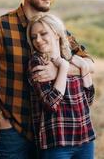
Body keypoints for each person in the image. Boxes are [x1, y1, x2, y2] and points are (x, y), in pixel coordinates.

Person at [0, 0, 94, 159]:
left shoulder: (54, 28)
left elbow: (89, 64)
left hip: (53, 135)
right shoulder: (1, 27)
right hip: (15, 131)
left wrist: (58, 71)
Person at [27, 14, 95, 159]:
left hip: (85, 139)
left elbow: (89, 99)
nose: (38, 40)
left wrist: (84, 67)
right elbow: (51, 103)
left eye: (43, 34)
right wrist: (63, 69)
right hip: (57, 142)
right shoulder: (38, 62)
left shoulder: (71, 58)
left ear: (57, 33)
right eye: (34, 37)